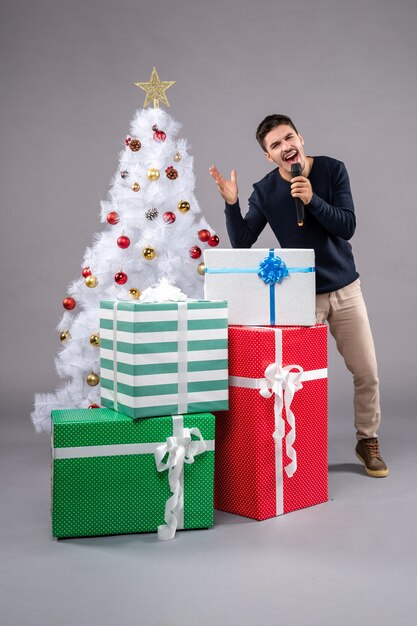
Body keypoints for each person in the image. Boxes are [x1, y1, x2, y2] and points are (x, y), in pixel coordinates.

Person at [209, 113, 388, 477]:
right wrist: (232, 204)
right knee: (298, 383)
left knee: (366, 372)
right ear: (268, 156)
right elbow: (243, 242)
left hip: (345, 288)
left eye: (288, 138)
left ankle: (366, 439)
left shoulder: (332, 170)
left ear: (301, 138)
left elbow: (347, 226)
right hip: (301, 297)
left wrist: (312, 199)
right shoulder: (265, 191)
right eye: (275, 144)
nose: (285, 146)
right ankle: (300, 451)